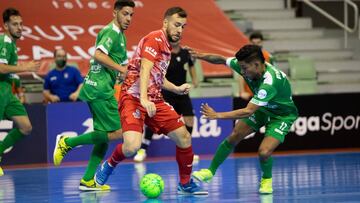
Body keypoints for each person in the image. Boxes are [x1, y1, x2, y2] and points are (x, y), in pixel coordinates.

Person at [95, 7, 207, 195]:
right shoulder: (154, 39)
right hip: (133, 97)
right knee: (131, 147)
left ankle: (185, 184)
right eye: (176, 25)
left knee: (184, 137)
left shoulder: (167, 47)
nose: (180, 30)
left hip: (154, 99)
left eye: (183, 27)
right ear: (165, 23)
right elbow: (145, 69)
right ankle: (108, 165)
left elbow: (157, 76)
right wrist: (144, 100)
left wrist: (176, 88)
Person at [188, 45, 298, 194]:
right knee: (234, 136)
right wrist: (199, 55)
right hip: (263, 108)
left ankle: (266, 180)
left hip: (281, 115)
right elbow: (220, 59)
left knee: (264, 152)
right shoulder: (246, 65)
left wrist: (218, 115)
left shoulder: (270, 83)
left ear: (257, 64)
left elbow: (248, 111)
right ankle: (210, 172)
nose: (243, 72)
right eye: (241, 68)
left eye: (245, 69)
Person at [52, 0, 135, 191]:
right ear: (115, 13)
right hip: (99, 89)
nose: (128, 18)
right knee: (120, 131)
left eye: (131, 15)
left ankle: (88, 180)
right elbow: (98, 55)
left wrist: (122, 73)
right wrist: (120, 69)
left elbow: (120, 66)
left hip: (100, 87)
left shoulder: (121, 36)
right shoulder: (111, 32)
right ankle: (67, 142)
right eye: (125, 13)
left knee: (104, 136)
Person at [133, 41, 198, 162]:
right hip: (167, 92)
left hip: (182, 92)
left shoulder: (185, 53)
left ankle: (187, 150)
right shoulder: (165, 54)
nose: (176, 38)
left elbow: (191, 66)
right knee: (154, 120)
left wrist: (195, 80)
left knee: (190, 119)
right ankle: (142, 150)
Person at [0, 8, 41, 176]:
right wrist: (25, 67)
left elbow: (9, 73)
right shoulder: (5, 41)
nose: (19, 27)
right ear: (5, 25)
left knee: (25, 127)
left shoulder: (12, 44)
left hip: (8, 92)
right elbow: (1, 68)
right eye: (14, 24)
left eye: (21, 24)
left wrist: (17, 89)